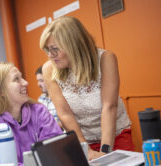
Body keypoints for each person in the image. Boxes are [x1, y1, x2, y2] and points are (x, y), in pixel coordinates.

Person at [39, 16, 134, 160]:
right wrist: (86, 150)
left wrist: (105, 152)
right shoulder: (49, 69)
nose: (50, 55)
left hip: (115, 136)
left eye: (54, 49)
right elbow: (64, 114)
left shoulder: (105, 59)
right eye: (47, 50)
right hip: (81, 139)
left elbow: (109, 107)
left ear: (73, 45)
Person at [0, 62, 62, 166]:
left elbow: (54, 149)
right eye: (16, 79)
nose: (25, 83)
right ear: (1, 91)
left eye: (22, 77)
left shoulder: (39, 112)